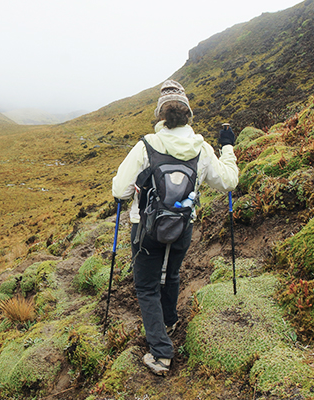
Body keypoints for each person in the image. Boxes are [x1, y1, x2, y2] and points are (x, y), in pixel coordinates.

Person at [111, 80, 239, 376]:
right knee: (171, 273)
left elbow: (120, 190)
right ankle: (169, 321)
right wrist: (228, 147)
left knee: (146, 287)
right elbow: (228, 182)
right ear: (188, 115)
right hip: (183, 227)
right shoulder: (203, 148)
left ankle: (161, 354)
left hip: (145, 228)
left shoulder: (147, 145)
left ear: (161, 116)